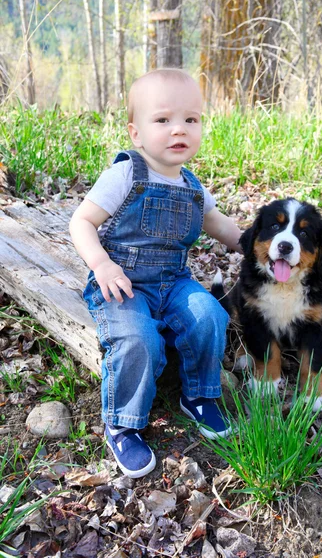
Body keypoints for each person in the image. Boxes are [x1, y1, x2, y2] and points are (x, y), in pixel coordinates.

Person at [69, 68, 242, 478]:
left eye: (191, 119)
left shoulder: (194, 187)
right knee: (137, 338)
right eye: (163, 120)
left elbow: (220, 226)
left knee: (209, 316)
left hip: (173, 281)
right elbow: (81, 222)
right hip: (122, 283)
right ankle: (123, 423)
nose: (178, 129)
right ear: (136, 133)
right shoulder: (126, 174)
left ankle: (199, 396)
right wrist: (101, 264)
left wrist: (255, 242)